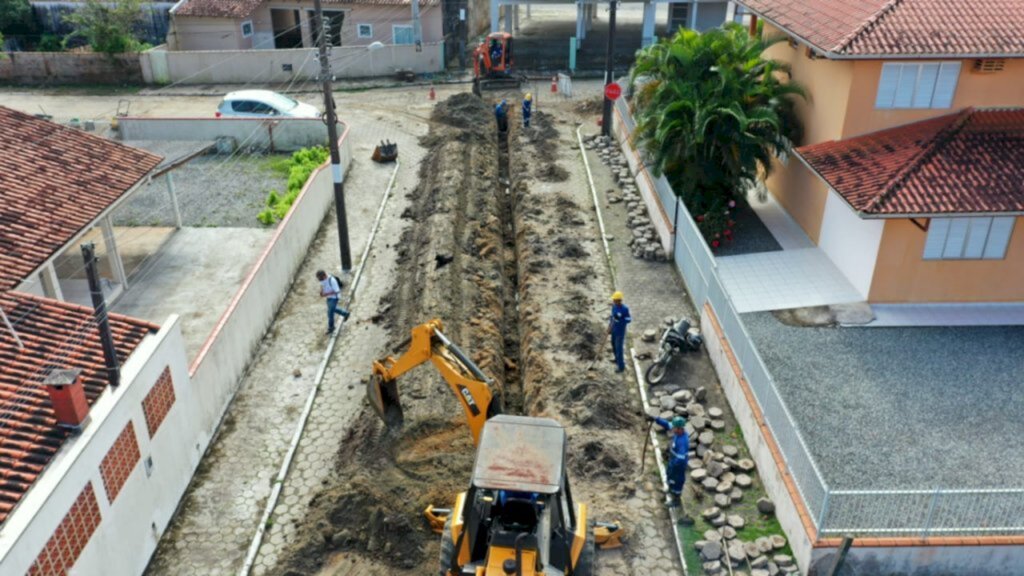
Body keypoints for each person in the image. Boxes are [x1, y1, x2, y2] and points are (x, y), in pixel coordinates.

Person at [647, 414, 692, 520]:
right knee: (669, 477)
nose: (673, 428)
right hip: (673, 462)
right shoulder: (677, 431)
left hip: (678, 466)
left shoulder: (683, 441)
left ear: (680, 428)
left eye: (674, 427)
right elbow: (667, 424)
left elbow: (681, 458)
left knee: (676, 482)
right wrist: (655, 418)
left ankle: (676, 500)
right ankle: (670, 489)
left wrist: (674, 465)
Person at [316, 269, 349, 334]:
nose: (320, 280)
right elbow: (322, 285)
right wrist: (321, 292)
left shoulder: (332, 280)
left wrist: (326, 294)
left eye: (321, 278)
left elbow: (337, 291)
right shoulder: (322, 279)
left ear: (325, 275)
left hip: (334, 298)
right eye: (319, 279)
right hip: (329, 298)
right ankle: (345, 313)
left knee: (330, 314)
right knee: (332, 309)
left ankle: (331, 328)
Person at [606, 290, 631, 372]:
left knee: (619, 349)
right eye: (613, 300)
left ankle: (621, 366)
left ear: (619, 300)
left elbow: (629, 319)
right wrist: (609, 328)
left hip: (620, 332)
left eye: (615, 300)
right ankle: (616, 359)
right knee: (613, 344)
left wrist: (621, 319)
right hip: (613, 330)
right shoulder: (614, 307)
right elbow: (612, 318)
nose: (613, 301)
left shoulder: (625, 309)